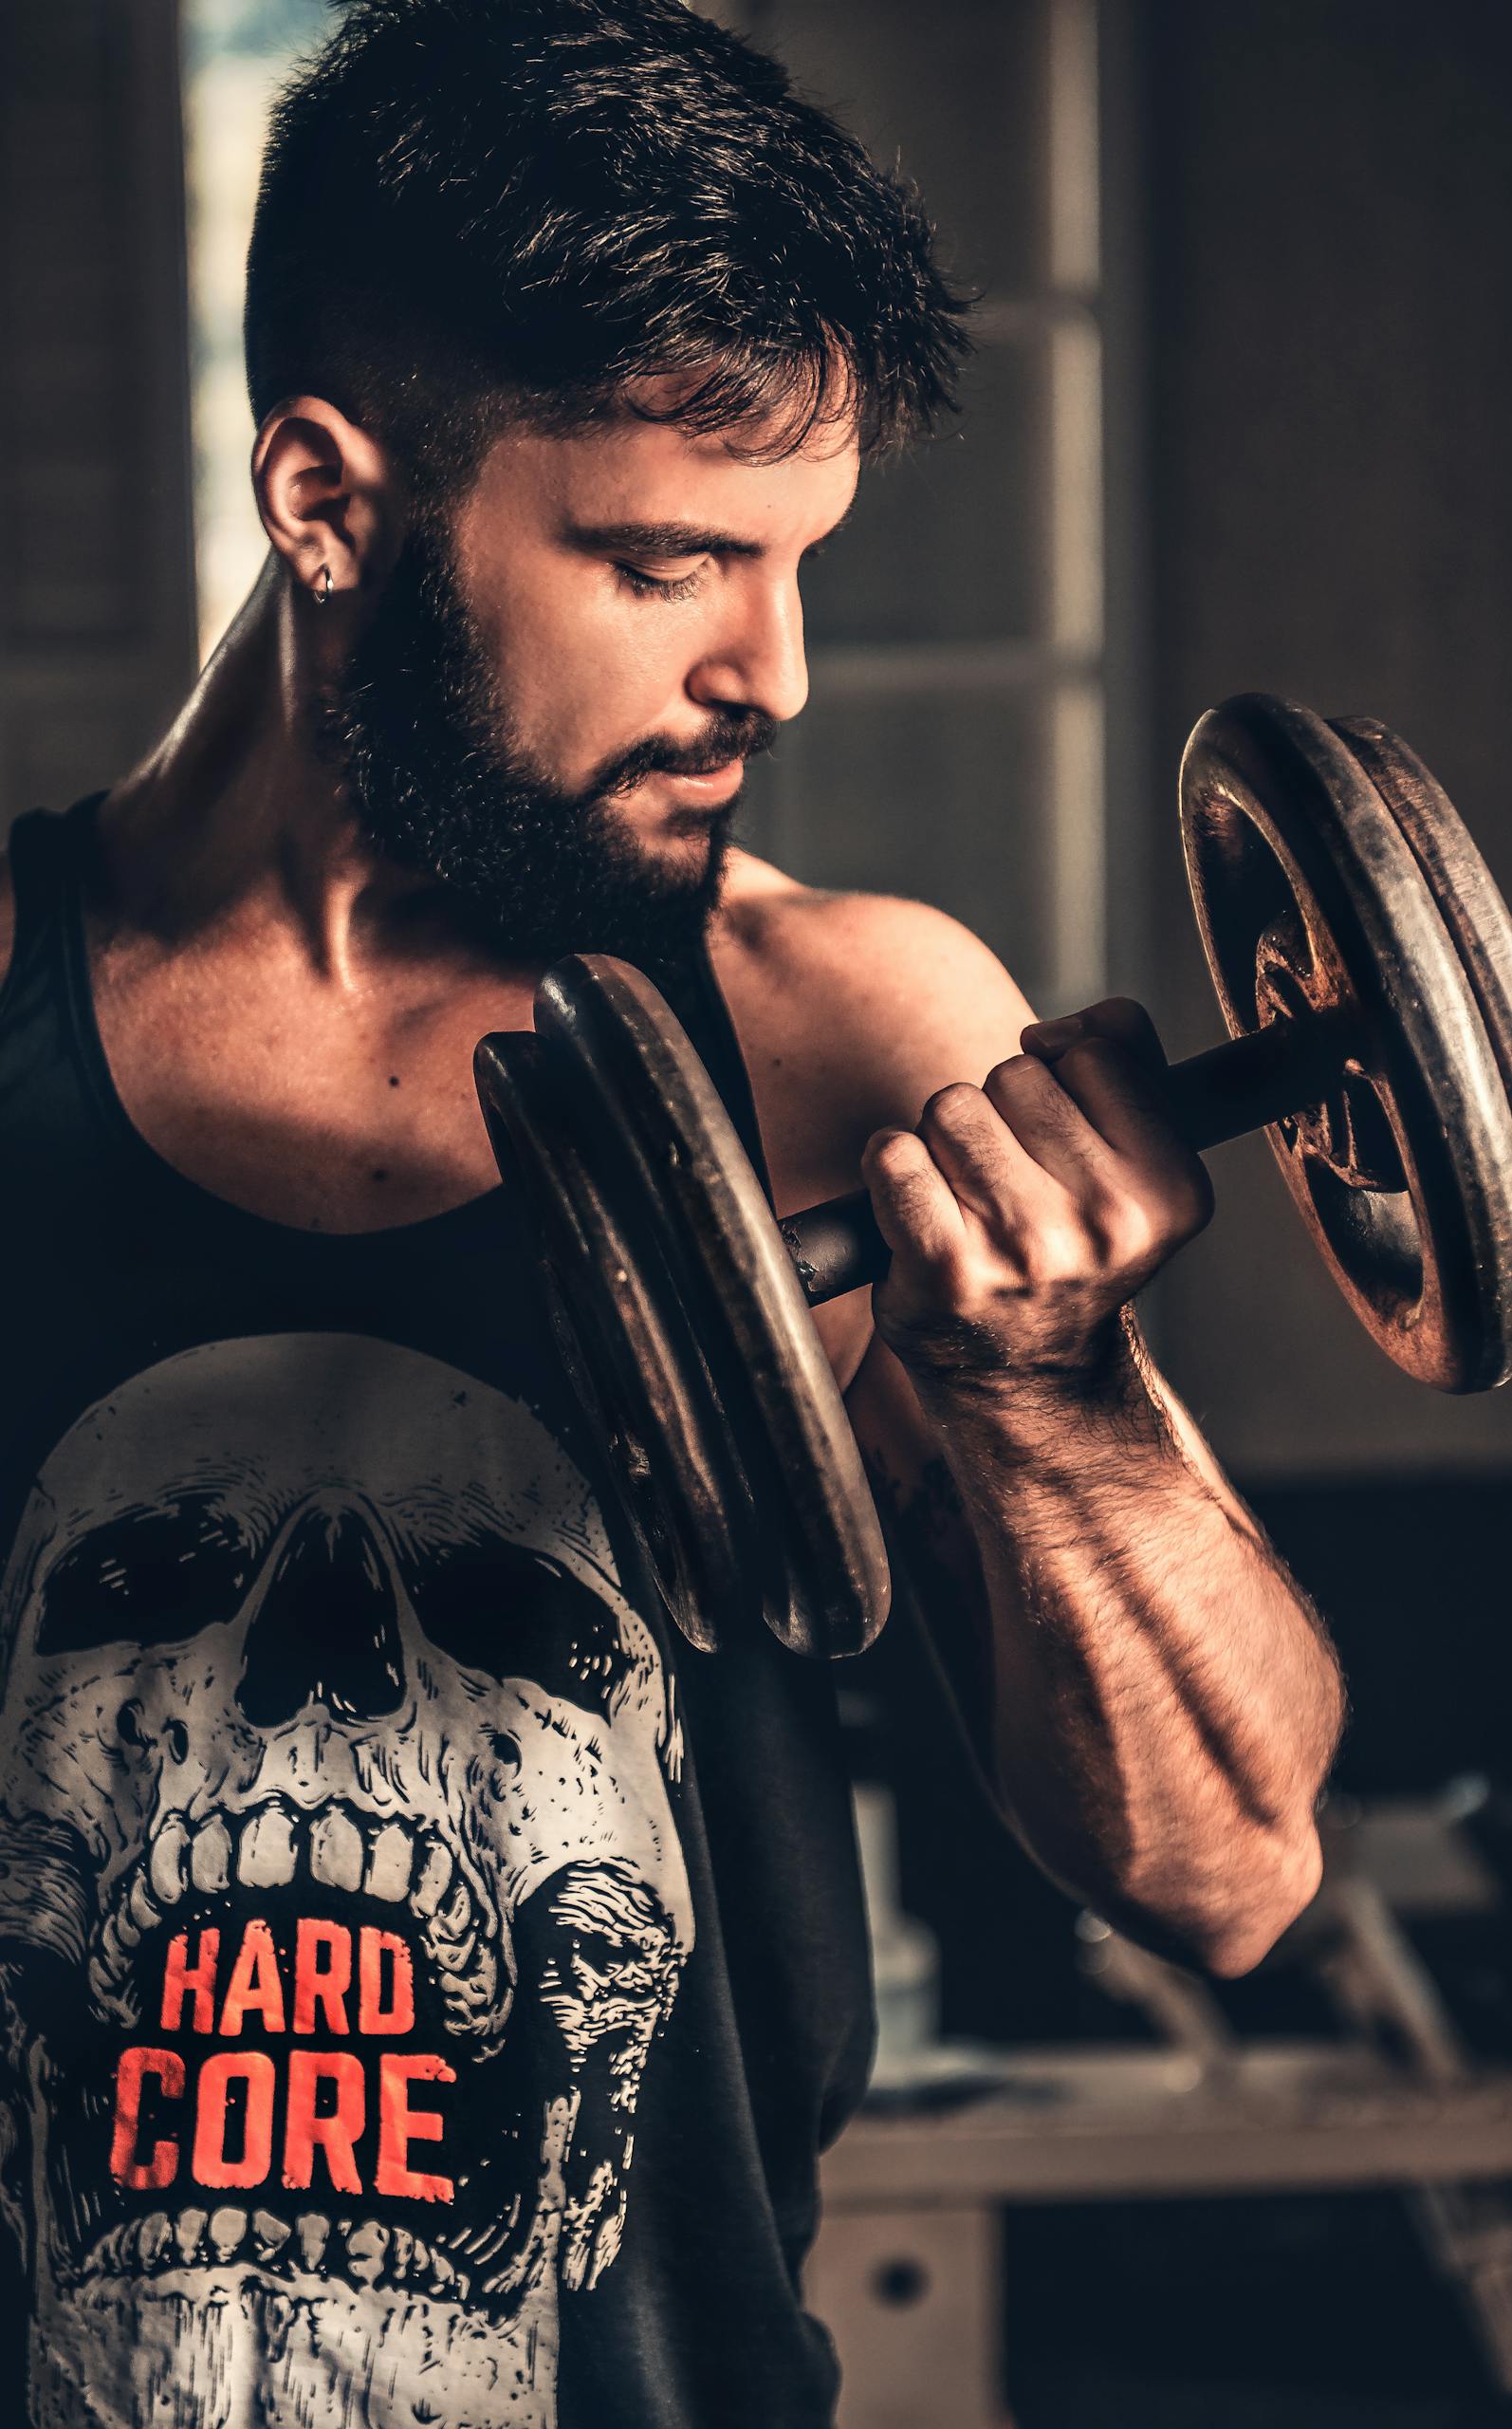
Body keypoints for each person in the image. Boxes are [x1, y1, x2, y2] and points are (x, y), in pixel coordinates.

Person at [0, 3, 1344, 2422]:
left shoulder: (841, 1032)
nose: (777, 671)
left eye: (800, 564)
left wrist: (1049, 1390)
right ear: (328, 499)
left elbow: (1232, 1862)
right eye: (670, 562)